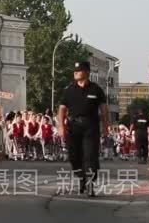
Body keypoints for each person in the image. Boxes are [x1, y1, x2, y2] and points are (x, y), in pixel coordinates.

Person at [57, 61, 109, 197]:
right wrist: (61, 127)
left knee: (90, 156)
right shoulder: (69, 89)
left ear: (87, 72)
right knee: (74, 156)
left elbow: (104, 110)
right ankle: (81, 177)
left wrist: (105, 127)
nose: (75, 72)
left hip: (90, 127)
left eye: (78, 70)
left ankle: (90, 184)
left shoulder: (96, 89)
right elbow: (62, 109)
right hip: (73, 127)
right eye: (75, 70)